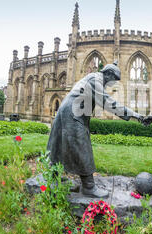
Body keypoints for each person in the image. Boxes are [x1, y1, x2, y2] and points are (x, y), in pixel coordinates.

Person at [47, 61, 144, 198]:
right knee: (82, 146)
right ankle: (89, 186)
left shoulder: (94, 78)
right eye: (113, 80)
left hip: (67, 110)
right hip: (72, 113)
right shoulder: (95, 80)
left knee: (59, 144)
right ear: (108, 73)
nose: (112, 84)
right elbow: (109, 103)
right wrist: (134, 114)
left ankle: (53, 175)